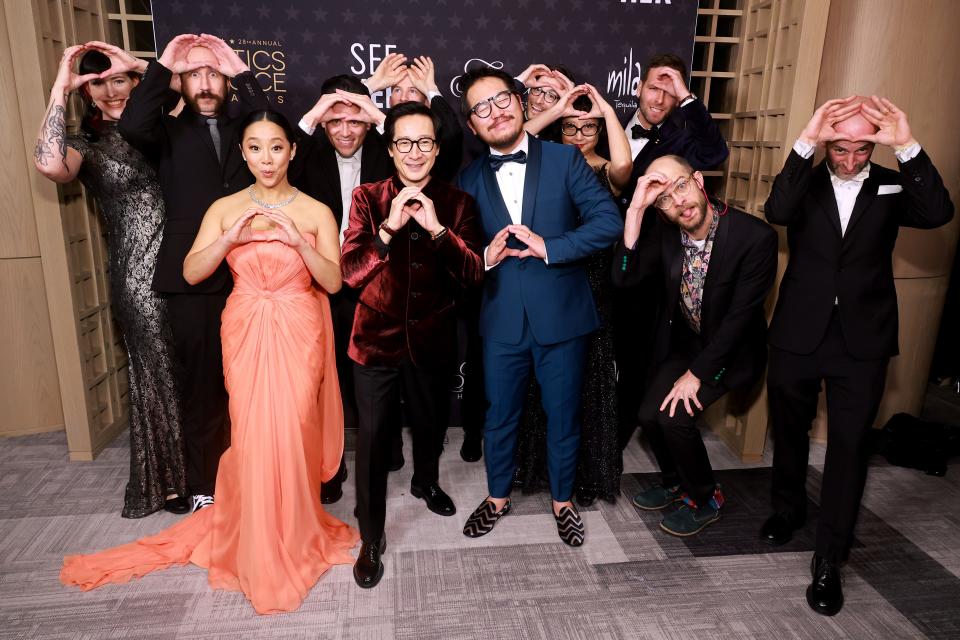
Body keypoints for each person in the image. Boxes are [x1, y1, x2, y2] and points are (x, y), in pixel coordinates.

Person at [61, 110, 359, 614]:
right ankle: (257, 534)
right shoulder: (224, 208)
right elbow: (192, 271)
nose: (267, 158)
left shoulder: (315, 211)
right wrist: (228, 239)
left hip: (298, 325)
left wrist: (295, 242)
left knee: (292, 427)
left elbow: (332, 281)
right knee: (251, 430)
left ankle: (293, 528)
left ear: (291, 151)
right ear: (242, 153)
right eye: (256, 148)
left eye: (277, 147)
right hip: (244, 325)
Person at [761, 96, 954, 616]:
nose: (849, 160)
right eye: (839, 148)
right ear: (826, 141)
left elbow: (938, 213)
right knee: (789, 427)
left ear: (875, 143)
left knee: (848, 449)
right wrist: (806, 139)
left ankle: (830, 560)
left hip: (862, 340)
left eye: (862, 149)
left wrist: (907, 145)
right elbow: (776, 210)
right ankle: (788, 508)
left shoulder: (891, 182)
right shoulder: (805, 178)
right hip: (799, 331)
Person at [456, 68, 622, 547]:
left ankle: (563, 501)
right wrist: (485, 256)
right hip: (501, 318)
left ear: (520, 101)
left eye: (502, 99)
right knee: (500, 416)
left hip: (563, 315)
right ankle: (496, 497)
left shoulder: (564, 160)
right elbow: (458, 254)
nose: (495, 111)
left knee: (563, 415)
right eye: (481, 107)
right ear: (471, 125)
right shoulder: (467, 179)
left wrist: (551, 246)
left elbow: (607, 222)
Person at [118, 33, 269, 513]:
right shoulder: (164, 131)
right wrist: (164, 62)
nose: (205, 83)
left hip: (252, 272)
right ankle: (203, 482)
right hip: (191, 277)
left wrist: (238, 66)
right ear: (180, 82)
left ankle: (255, 474)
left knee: (252, 383)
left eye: (214, 74)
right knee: (202, 385)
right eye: (195, 74)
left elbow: (278, 129)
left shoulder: (249, 129)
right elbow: (132, 123)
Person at [33, 43, 185, 518]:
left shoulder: (169, 127)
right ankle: (172, 481)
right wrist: (61, 84)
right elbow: (48, 164)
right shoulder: (85, 145)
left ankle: (213, 473)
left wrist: (138, 63)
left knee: (200, 368)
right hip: (139, 276)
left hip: (196, 266)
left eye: (119, 79)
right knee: (158, 371)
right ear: (87, 93)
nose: (111, 90)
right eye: (98, 83)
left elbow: (190, 89)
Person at [341, 102, 484, 588]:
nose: (415, 152)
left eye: (425, 142)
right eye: (404, 142)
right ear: (390, 148)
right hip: (375, 339)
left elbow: (472, 275)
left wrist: (438, 230)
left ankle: (426, 481)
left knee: (429, 425)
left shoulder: (459, 202)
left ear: (437, 149)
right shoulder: (367, 197)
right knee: (373, 440)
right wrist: (389, 229)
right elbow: (351, 273)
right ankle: (371, 538)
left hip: (433, 336)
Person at [612, 155, 777, 536]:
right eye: (664, 199)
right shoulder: (666, 229)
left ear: (699, 180)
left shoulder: (755, 238)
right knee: (648, 413)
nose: (678, 202)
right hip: (686, 343)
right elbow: (623, 279)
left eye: (681, 186)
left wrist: (696, 375)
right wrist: (637, 208)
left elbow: (738, 322)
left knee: (675, 416)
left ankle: (705, 496)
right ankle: (675, 481)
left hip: (730, 352)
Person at [513, 85, 632, 505]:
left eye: (589, 128)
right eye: (570, 127)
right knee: (544, 382)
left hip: (594, 284)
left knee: (588, 381)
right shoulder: (542, 165)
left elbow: (624, 165)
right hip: (550, 277)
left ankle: (585, 476)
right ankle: (540, 468)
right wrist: (559, 108)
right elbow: (517, 136)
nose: (580, 135)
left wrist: (606, 110)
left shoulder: (605, 173)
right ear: (558, 130)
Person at [614, 53, 730, 453]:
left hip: (644, 262)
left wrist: (687, 98)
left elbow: (715, 155)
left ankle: (618, 439)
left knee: (634, 357)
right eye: (653, 87)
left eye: (670, 91)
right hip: (592, 256)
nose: (660, 98)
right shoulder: (606, 125)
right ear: (636, 87)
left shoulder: (681, 140)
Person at [293, 75, 397, 500]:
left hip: (375, 282)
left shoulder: (385, 151)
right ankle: (328, 471)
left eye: (355, 121)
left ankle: (385, 455)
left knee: (375, 380)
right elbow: (278, 166)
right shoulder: (307, 154)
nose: (345, 131)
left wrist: (375, 113)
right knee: (323, 381)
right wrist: (315, 116)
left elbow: (424, 151)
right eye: (334, 122)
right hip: (320, 284)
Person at [363, 52, 464, 181]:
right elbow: (337, 113)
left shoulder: (435, 143)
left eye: (413, 91)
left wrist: (431, 90)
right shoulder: (371, 135)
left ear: (428, 103)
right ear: (389, 100)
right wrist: (372, 84)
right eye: (397, 90)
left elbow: (452, 134)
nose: (403, 98)